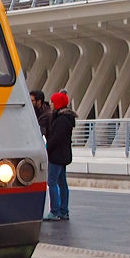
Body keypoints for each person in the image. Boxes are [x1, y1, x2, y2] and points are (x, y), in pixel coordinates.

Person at [44, 91, 76, 221]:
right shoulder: (66, 119)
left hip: (57, 155)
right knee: (62, 182)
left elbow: (56, 138)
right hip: (63, 155)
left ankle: (55, 211)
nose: (50, 104)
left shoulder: (61, 120)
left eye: (52, 102)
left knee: (52, 181)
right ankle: (63, 210)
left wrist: (47, 149)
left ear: (57, 104)